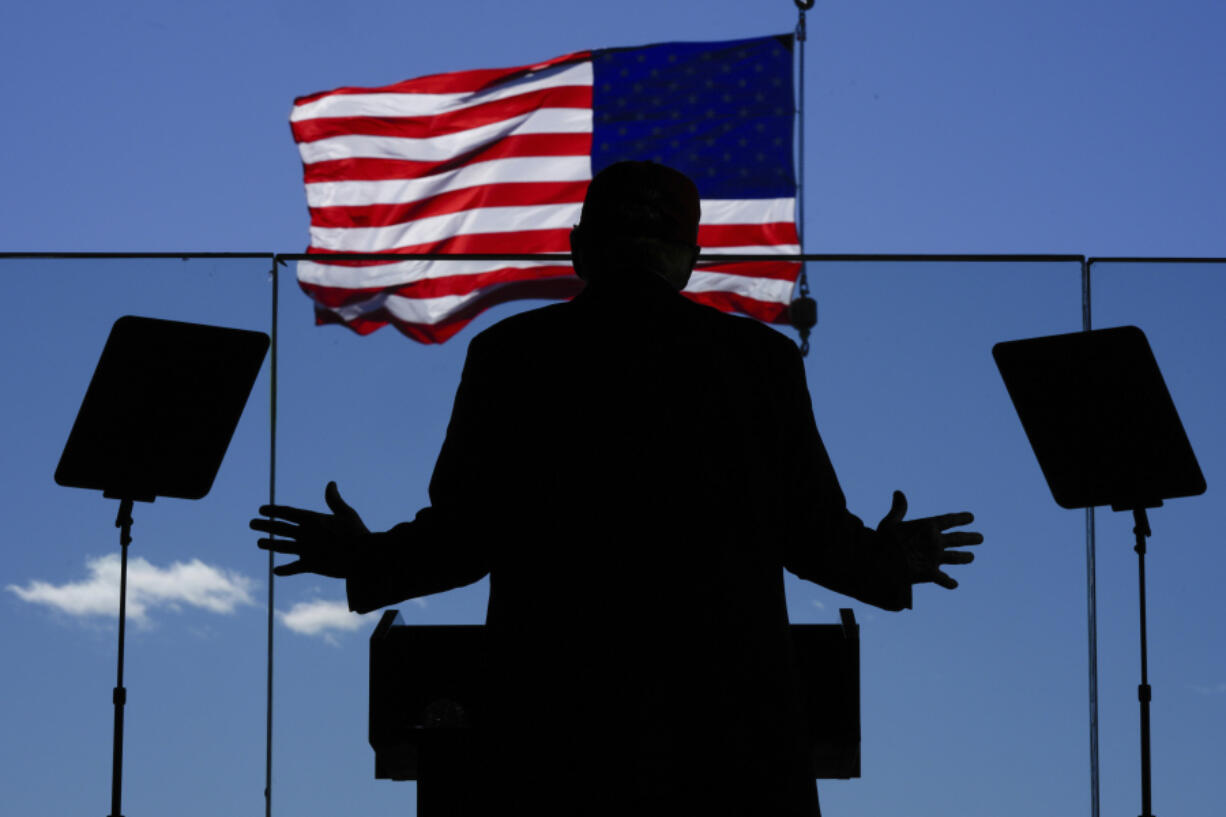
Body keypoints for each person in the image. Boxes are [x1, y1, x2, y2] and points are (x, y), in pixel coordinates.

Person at [251, 161, 982, 816]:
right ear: (689, 259)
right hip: (729, 735)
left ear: (578, 249)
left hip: (556, 731)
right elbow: (811, 534)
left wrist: (360, 556)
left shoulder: (513, 356)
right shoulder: (758, 361)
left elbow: (465, 539)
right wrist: (890, 561)